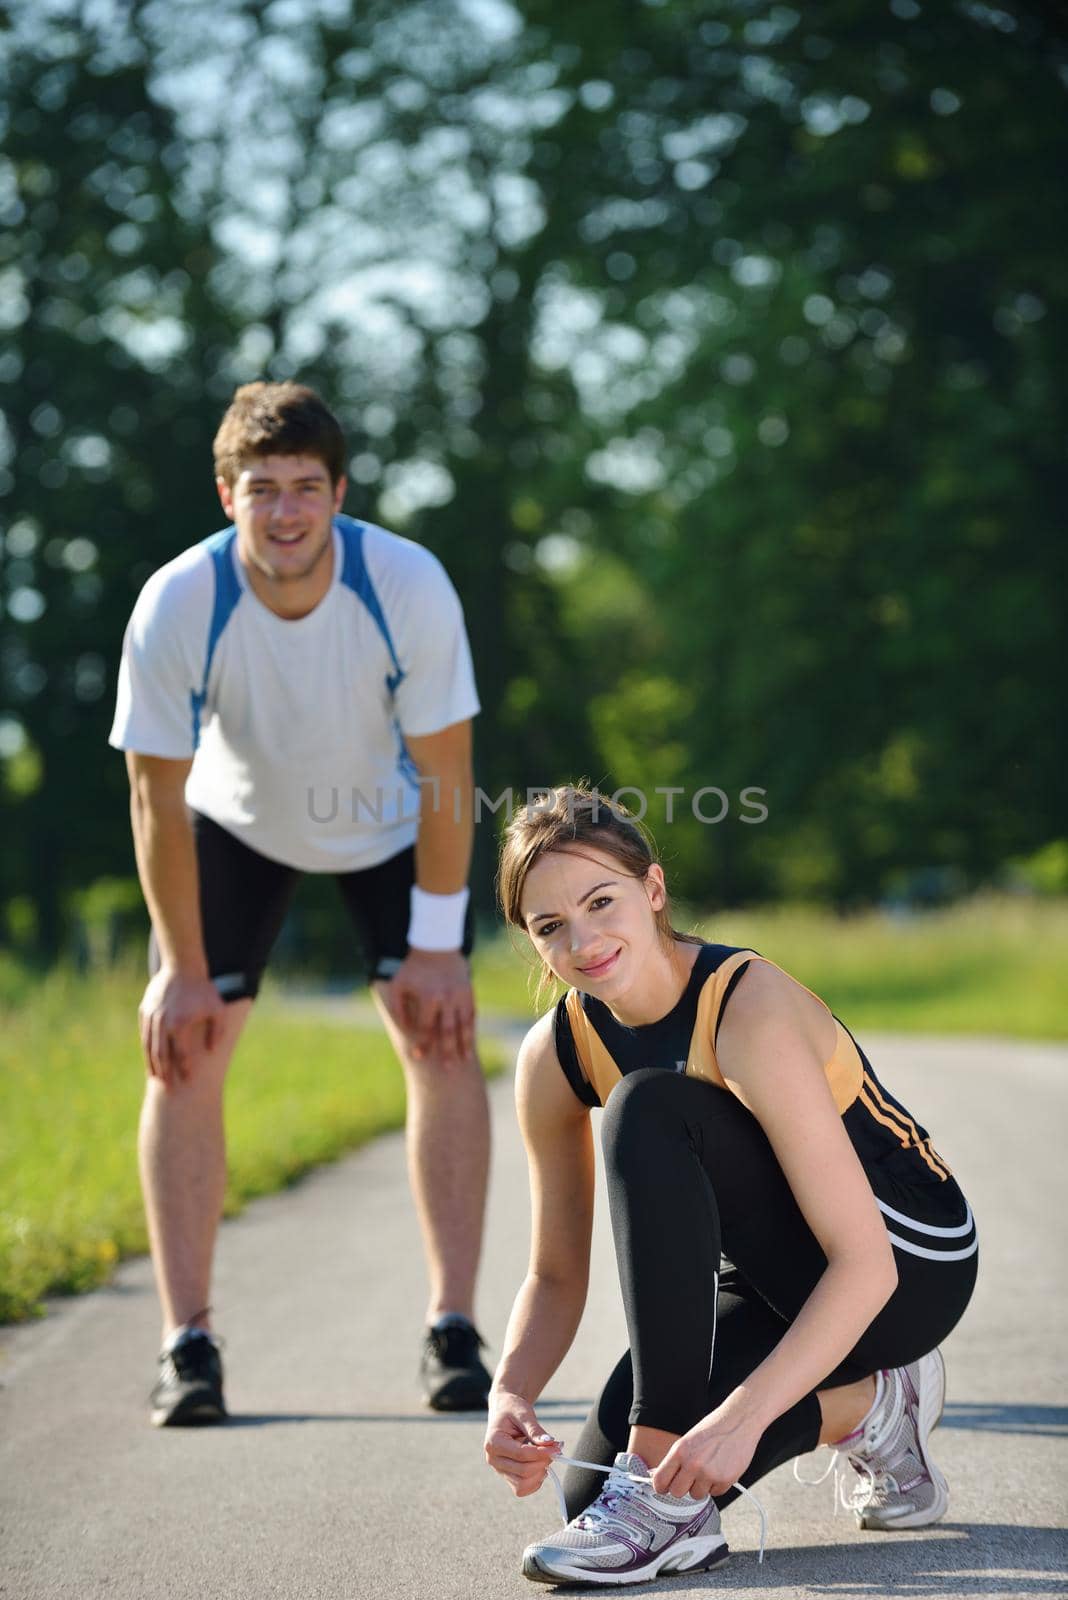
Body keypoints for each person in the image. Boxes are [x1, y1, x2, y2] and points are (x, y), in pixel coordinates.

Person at [109, 381, 492, 1425]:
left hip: (391, 823)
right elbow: (155, 793)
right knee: (184, 1046)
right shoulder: (181, 600)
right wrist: (182, 971)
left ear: (339, 494)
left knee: (443, 1038)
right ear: (227, 493)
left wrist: (437, 948)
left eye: (305, 490)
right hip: (238, 822)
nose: (284, 513)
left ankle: (454, 1328)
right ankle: (186, 1344)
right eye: (262, 489)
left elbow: (450, 773)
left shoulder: (404, 583)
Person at [485, 786, 977, 1586]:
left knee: (646, 1108)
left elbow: (866, 1263)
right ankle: (874, 1408)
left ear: (652, 891)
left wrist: (739, 1421)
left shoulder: (745, 1006)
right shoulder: (555, 1054)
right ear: (533, 943)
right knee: (585, 1498)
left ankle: (660, 1500)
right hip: (774, 1274)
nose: (583, 938)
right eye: (550, 926)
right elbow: (554, 1272)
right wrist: (511, 1392)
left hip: (907, 1262)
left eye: (601, 901)